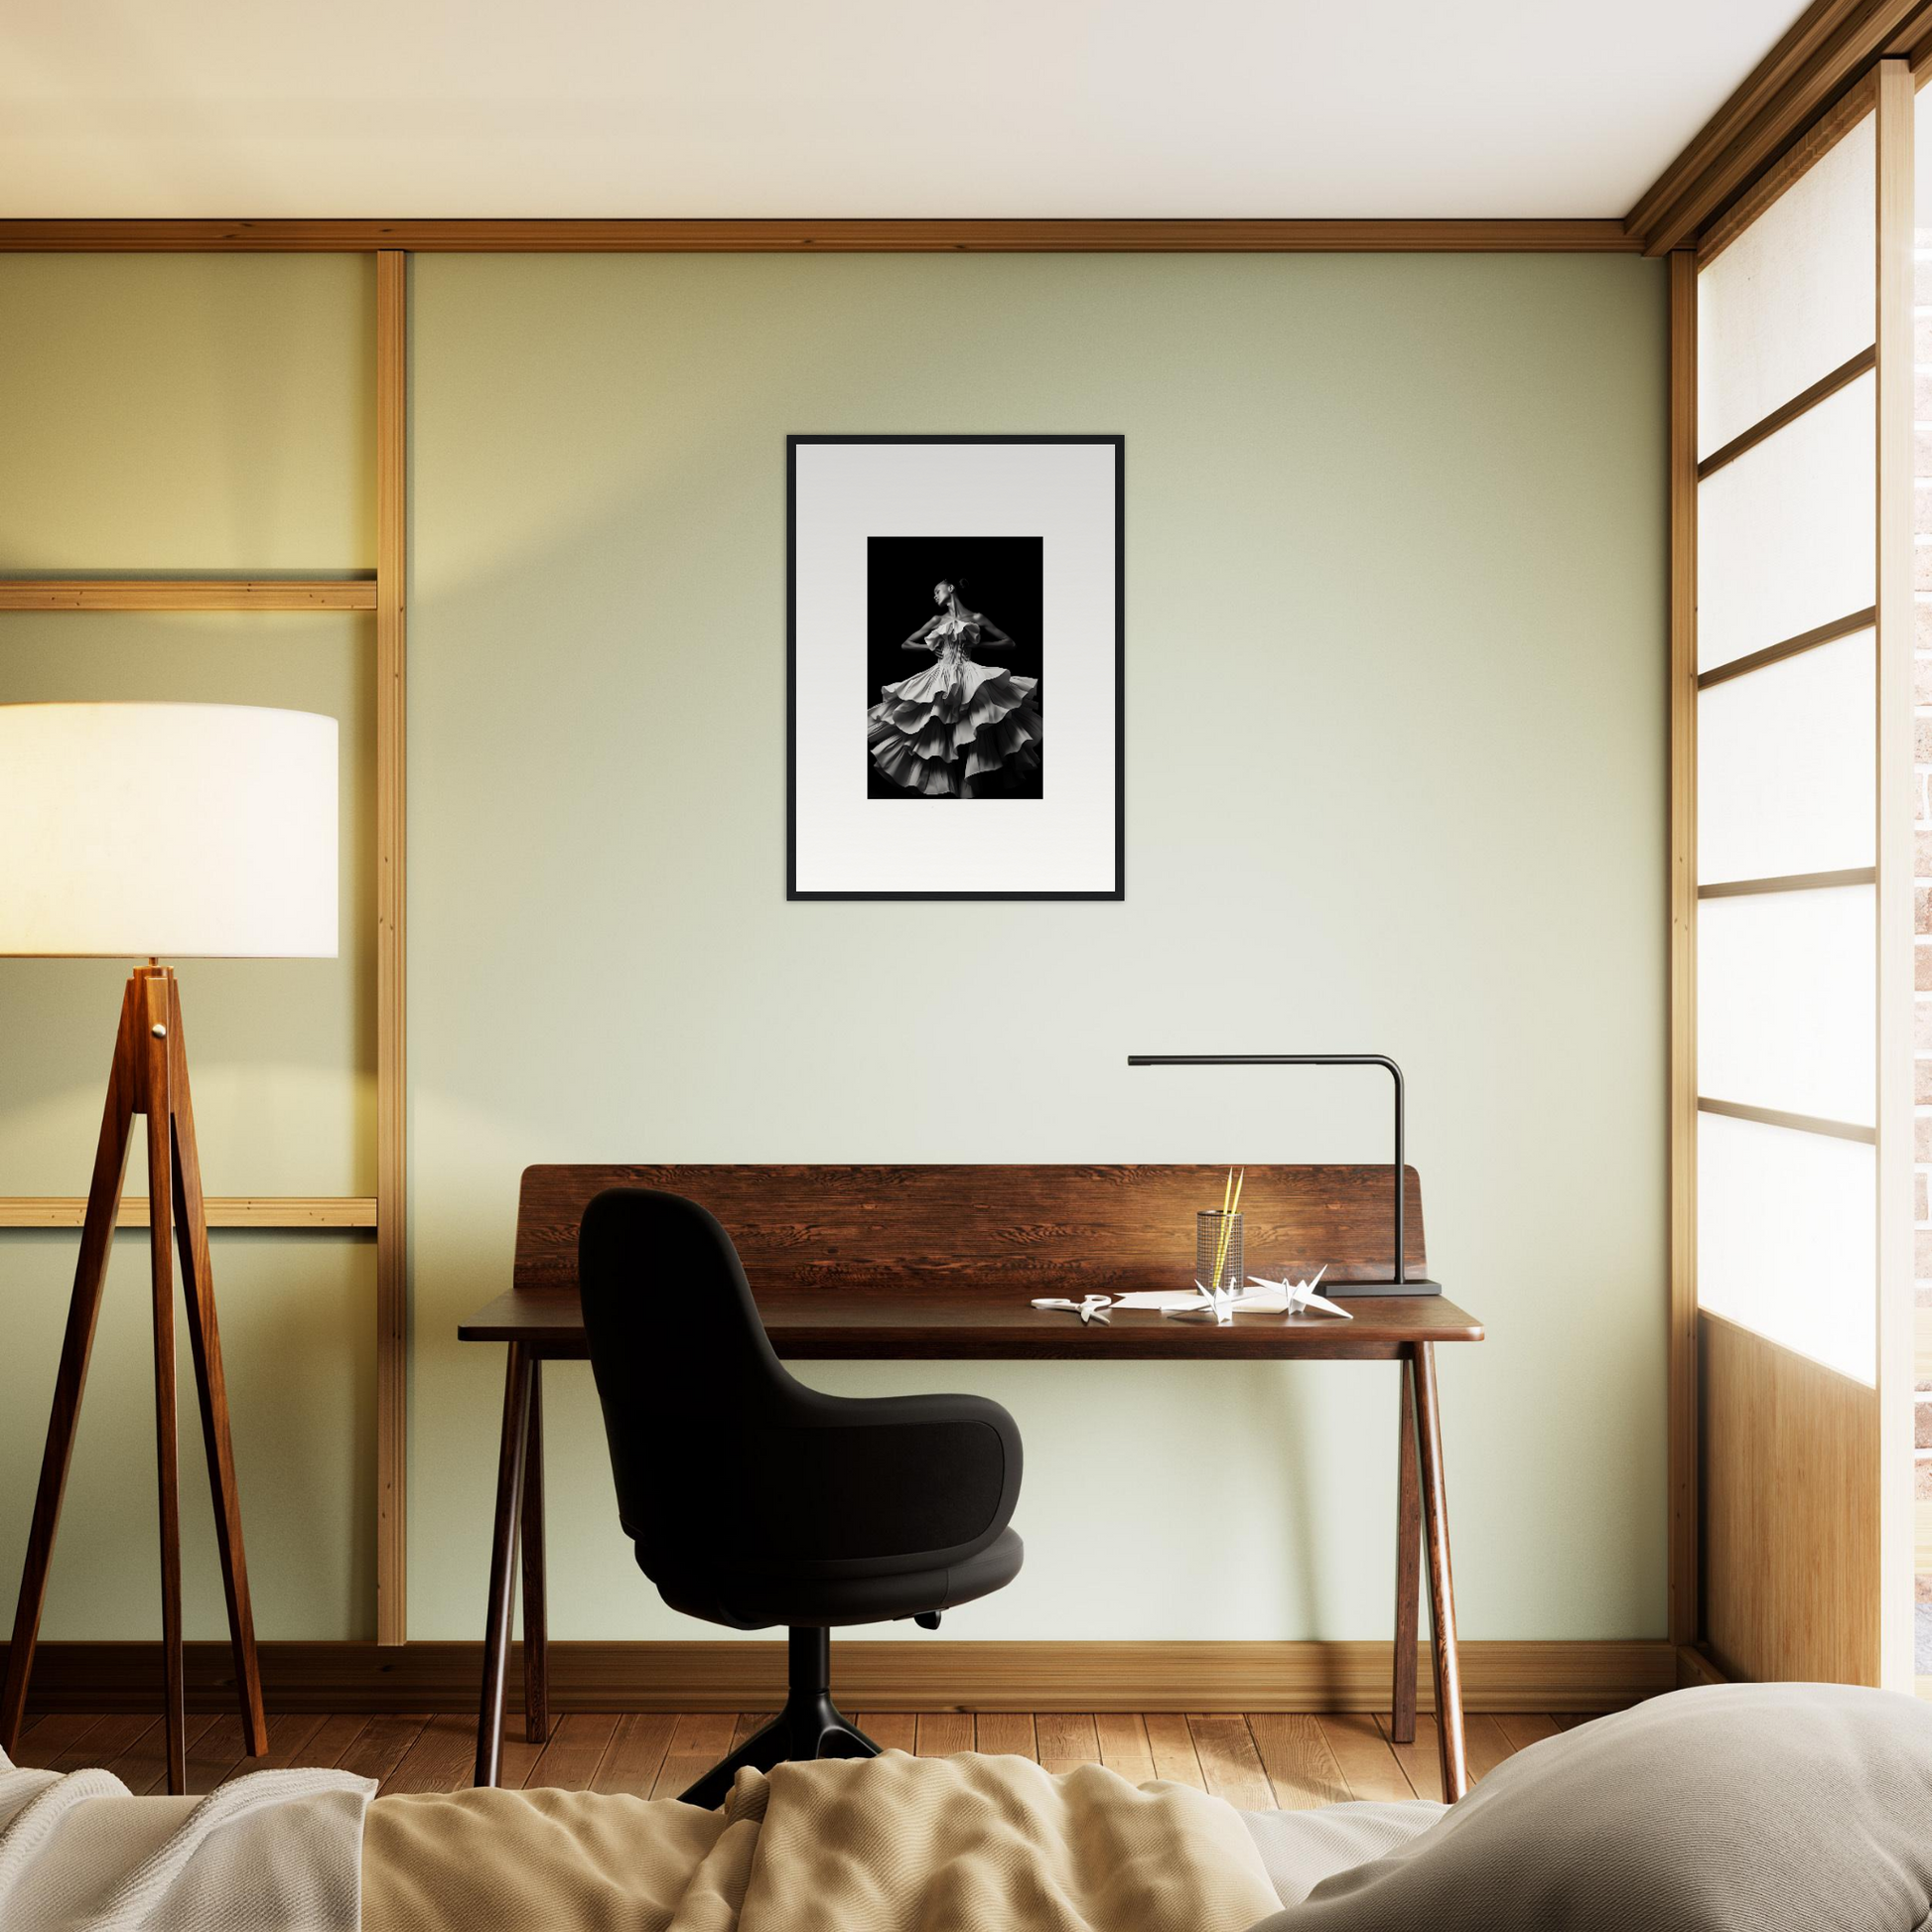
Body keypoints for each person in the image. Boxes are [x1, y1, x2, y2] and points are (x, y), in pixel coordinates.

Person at [867, 578, 1042, 798]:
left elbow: (1009, 642)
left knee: (973, 728)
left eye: (937, 591)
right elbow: (906, 643)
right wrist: (930, 650)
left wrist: (979, 644)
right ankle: (950, 787)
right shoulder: (937, 619)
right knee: (939, 728)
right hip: (941, 676)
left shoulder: (976, 618)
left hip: (969, 675)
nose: (935, 596)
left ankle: (968, 787)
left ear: (950, 589)